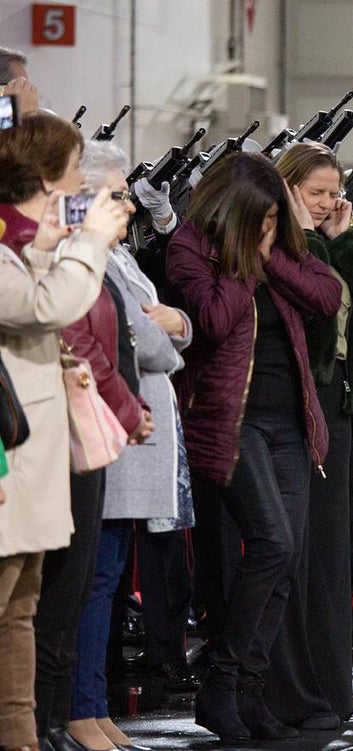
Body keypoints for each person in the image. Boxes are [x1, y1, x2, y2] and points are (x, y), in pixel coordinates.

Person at [166, 151, 341, 741]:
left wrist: (270, 253)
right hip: (229, 420)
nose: (272, 230)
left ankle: (248, 691)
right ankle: (220, 683)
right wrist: (249, 261)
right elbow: (212, 321)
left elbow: (326, 296)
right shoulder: (192, 247)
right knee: (270, 541)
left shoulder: (274, 246)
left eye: (275, 219)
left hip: (289, 419)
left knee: (285, 558)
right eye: (261, 220)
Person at [0, 115, 127, 751]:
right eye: (74, 169)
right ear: (47, 178)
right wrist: (90, 243)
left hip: (30, 464)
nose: (83, 182)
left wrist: (66, 238)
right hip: (8, 464)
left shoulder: (24, 242)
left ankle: (21, 735)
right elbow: (41, 305)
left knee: (21, 610)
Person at [67, 141, 186, 751]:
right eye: (117, 195)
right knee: (94, 578)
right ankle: (81, 709)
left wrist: (177, 326)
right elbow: (146, 334)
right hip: (109, 432)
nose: (130, 206)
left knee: (109, 578)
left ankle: (96, 706)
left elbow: (170, 320)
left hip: (131, 437)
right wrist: (173, 334)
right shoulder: (89, 256)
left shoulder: (118, 255)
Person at [273, 141, 353, 725]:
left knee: (335, 552)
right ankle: (298, 693)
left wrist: (349, 240)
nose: (326, 202)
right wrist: (316, 238)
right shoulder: (279, 243)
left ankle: (331, 690)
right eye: (314, 193)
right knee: (301, 552)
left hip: (341, 406)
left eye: (332, 192)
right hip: (300, 404)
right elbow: (320, 312)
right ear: (290, 189)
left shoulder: (334, 239)